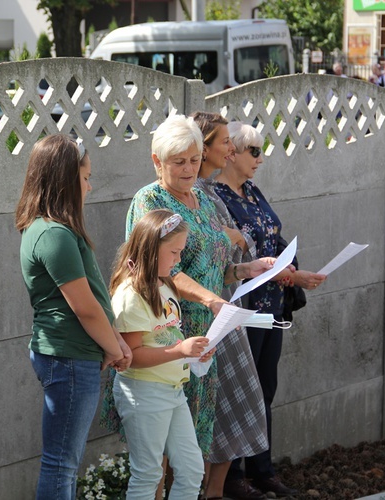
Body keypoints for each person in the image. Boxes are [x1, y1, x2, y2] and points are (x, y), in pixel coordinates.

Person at [125, 114, 274, 495]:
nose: (189, 168)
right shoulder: (151, 200)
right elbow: (163, 270)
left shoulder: (203, 200)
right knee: (159, 453)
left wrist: (244, 269)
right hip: (168, 335)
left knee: (194, 441)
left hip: (207, 335)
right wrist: (211, 300)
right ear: (157, 162)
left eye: (194, 159)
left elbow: (214, 266)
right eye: (179, 162)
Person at [15, 134, 132, 500]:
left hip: (73, 355)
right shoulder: (53, 234)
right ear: (65, 179)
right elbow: (84, 307)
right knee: (61, 463)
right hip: (67, 357)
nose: (90, 185)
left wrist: (115, 341)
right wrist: (115, 348)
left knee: (66, 460)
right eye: (84, 177)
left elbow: (94, 296)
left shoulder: (57, 231)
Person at [215, 121, 327, 498]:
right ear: (233, 154)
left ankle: (262, 469)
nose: (261, 159)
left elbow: (273, 241)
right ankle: (231, 479)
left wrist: (295, 275)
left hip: (272, 307)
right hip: (243, 308)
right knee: (238, 393)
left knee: (264, 391)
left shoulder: (252, 191)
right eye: (255, 151)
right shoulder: (217, 197)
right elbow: (233, 253)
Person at [191, 111, 277, 500]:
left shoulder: (208, 194)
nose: (232, 149)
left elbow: (231, 254)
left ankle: (217, 490)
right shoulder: (170, 196)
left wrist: (244, 258)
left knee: (239, 402)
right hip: (200, 316)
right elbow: (183, 259)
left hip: (232, 308)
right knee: (195, 416)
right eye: (226, 142)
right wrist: (229, 239)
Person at [109, 209, 214, 499]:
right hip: (144, 392)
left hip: (171, 390)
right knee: (148, 474)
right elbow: (132, 356)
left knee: (192, 470)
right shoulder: (130, 294)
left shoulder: (163, 282)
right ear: (151, 250)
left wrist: (193, 353)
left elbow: (168, 336)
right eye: (174, 252)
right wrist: (181, 350)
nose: (179, 259)